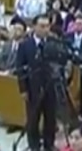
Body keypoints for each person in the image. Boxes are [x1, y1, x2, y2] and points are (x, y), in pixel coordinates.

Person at [16, 13, 64, 151]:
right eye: (42, 26)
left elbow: (59, 62)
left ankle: (49, 144)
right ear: (34, 27)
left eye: (48, 26)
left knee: (50, 118)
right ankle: (34, 146)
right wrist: (23, 89)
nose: (45, 29)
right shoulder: (25, 45)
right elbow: (20, 68)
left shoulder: (53, 42)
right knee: (33, 120)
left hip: (50, 86)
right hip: (32, 89)